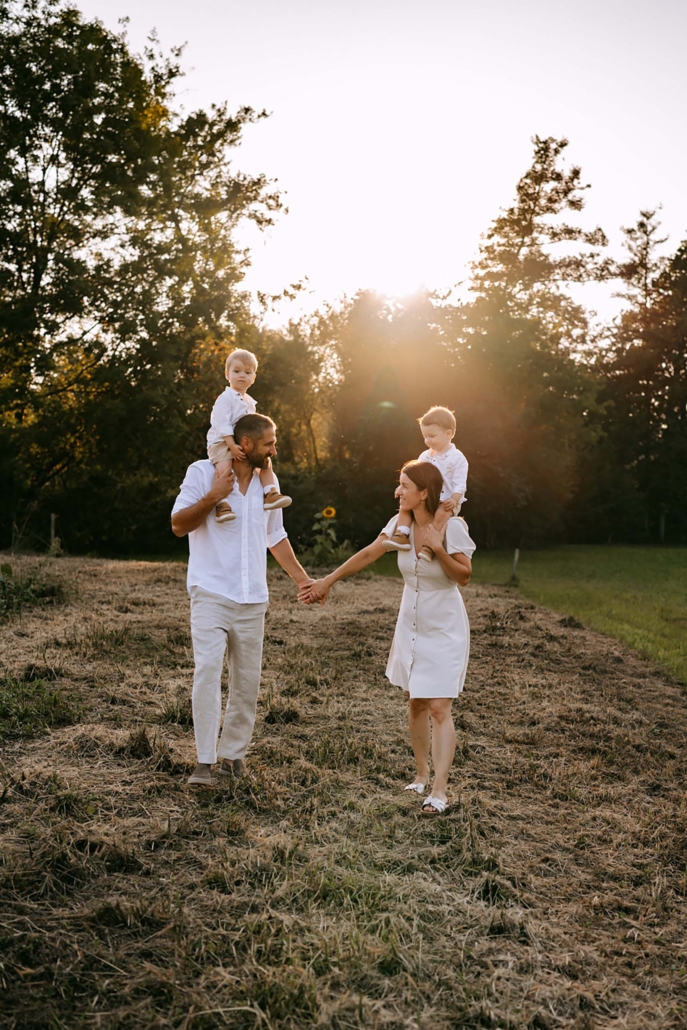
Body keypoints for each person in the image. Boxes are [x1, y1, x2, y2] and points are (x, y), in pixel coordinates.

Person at [300, 461, 475, 815]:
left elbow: (465, 576)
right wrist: (326, 581)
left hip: (444, 623)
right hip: (410, 620)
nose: (398, 492)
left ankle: (439, 792)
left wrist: (438, 549)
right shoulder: (400, 526)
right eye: (398, 484)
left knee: (440, 707)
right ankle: (422, 775)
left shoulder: (452, 526)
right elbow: (368, 553)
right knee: (415, 702)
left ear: (424, 492)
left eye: (404, 486)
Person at [172, 413, 312, 786]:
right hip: (211, 593)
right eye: (269, 444)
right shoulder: (203, 472)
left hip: (253, 600)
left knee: (247, 683)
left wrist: (303, 580)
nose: (274, 450)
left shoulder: (268, 484)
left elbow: (276, 536)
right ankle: (204, 762)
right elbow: (178, 524)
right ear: (245, 445)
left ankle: (232, 757)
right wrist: (215, 497)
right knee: (206, 673)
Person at [207, 348, 291, 523]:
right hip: (222, 442)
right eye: (236, 371)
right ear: (227, 374)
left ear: (253, 377)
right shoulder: (225, 398)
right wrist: (231, 445)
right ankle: (222, 505)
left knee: (265, 460)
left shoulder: (249, 402)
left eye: (247, 372)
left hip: (242, 441)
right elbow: (222, 424)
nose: (242, 376)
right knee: (225, 468)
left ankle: (270, 493)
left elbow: (251, 428)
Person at [383, 406, 468, 560]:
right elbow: (413, 477)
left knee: (441, 515)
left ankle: (430, 546)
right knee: (405, 505)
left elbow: (460, 484)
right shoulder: (424, 456)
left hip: (448, 499)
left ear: (448, 434)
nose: (427, 440)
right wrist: (402, 487)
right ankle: (402, 534)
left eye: (432, 436)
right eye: (424, 436)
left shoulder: (457, 458)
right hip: (427, 497)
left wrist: (454, 500)